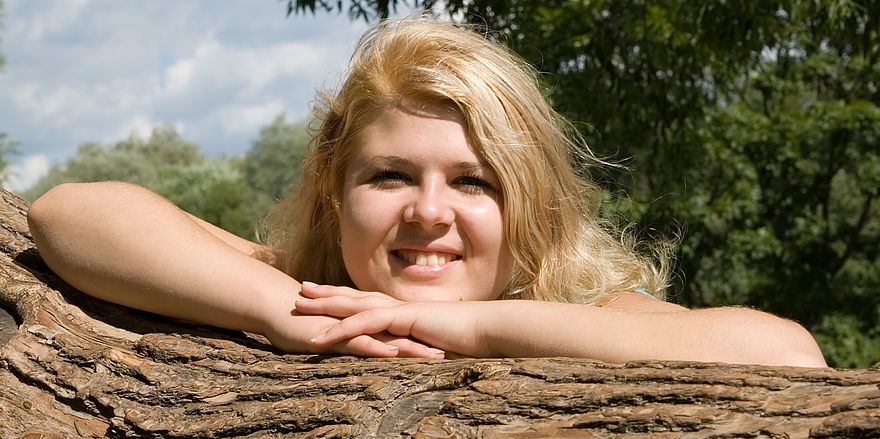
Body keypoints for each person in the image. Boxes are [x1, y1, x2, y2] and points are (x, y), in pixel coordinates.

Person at [26, 17, 826, 367]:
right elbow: (69, 212)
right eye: (390, 175)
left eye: (475, 182)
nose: (429, 211)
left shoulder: (584, 311)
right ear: (336, 196)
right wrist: (277, 313)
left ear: (531, 208)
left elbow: (787, 356)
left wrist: (458, 323)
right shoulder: (315, 289)